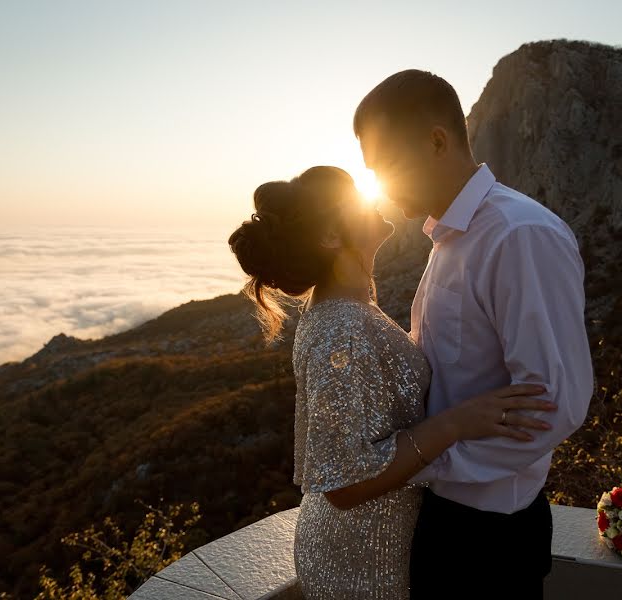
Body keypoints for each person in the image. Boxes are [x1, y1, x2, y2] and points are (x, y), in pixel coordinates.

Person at [228, 165, 557, 599]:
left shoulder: (348, 309)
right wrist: (458, 423)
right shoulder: (341, 328)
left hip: (378, 539)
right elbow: (343, 486)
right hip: (361, 557)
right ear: (329, 236)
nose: (369, 197)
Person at [354, 70, 594, 598]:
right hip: (445, 517)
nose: (379, 186)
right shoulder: (449, 240)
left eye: (384, 166)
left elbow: (554, 404)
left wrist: (420, 459)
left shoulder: (518, 235)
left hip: (489, 539)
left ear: (437, 141)